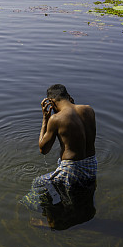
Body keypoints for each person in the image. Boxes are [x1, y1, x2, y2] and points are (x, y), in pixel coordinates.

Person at [21, 84, 97, 228]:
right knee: (82, 190)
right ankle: (86, 212)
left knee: (39, 183)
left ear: (51, 103)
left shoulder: (56, 119)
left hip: (71, 169)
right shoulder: (89, 110)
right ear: (69, 97)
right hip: (91, 164)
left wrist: (45, 118)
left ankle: (52, 221)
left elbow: (43, 149)